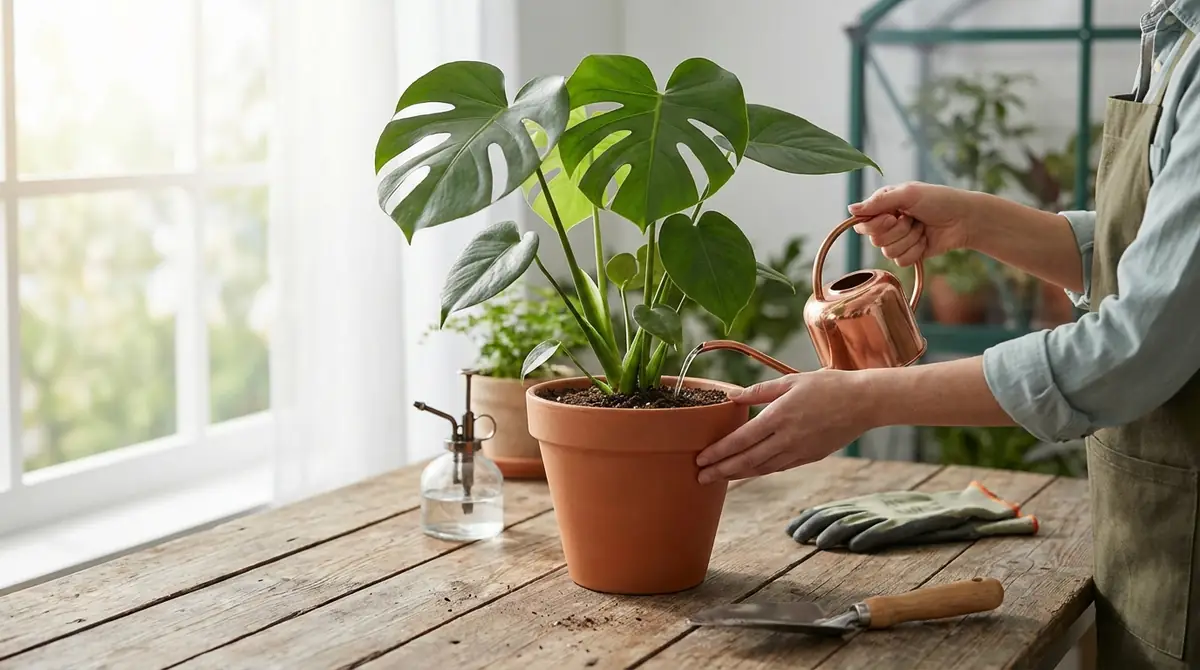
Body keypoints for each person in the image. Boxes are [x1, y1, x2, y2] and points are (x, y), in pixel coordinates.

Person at [695, 3, 1200, 668]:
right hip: (1156, 534)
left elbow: (1129, 352)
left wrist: (867, 399)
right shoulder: (1173, 30)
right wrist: (974, 222)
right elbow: (1145, 255)